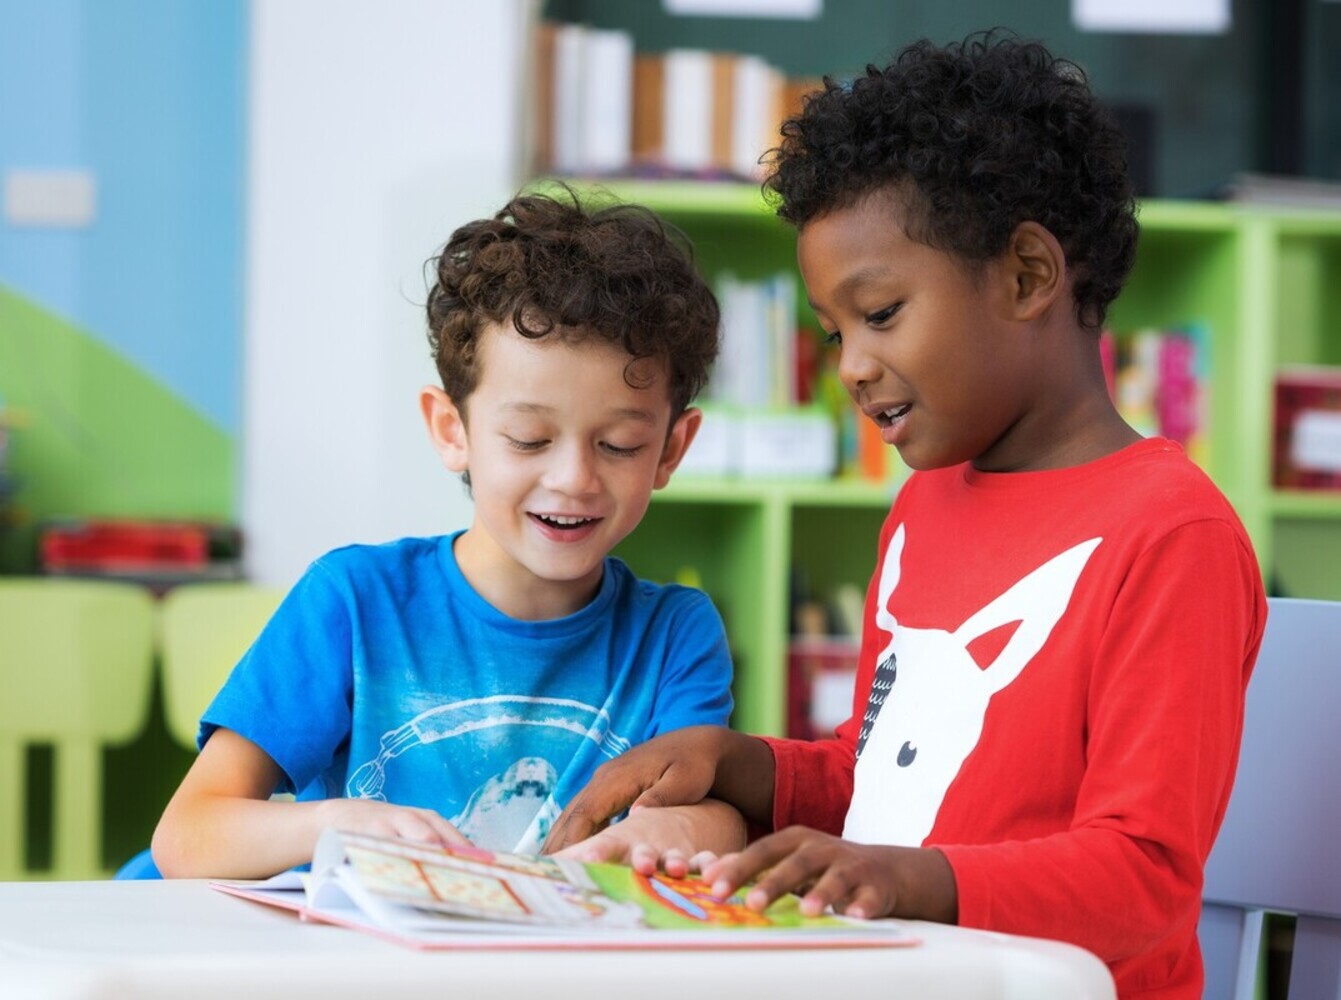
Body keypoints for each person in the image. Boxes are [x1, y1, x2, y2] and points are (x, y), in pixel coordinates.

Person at [542, 32, 1267, 1000]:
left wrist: (909, 879)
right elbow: (888, 775)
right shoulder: (925, 502)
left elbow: (1145, 879)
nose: (850, 364)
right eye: (835, 331)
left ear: (1025, 275)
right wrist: (743, 763)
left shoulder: (1171, 534)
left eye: (880, 313)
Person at [150, 189, 744, 879]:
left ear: (671, 449)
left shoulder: (674, 633)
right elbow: (187, 836)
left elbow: (716, 818)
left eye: (617, 444)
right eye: (529, 439)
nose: (574, 478)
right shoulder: (354, 600)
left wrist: (684, 825)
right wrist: (333, 823)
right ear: (450, 430)